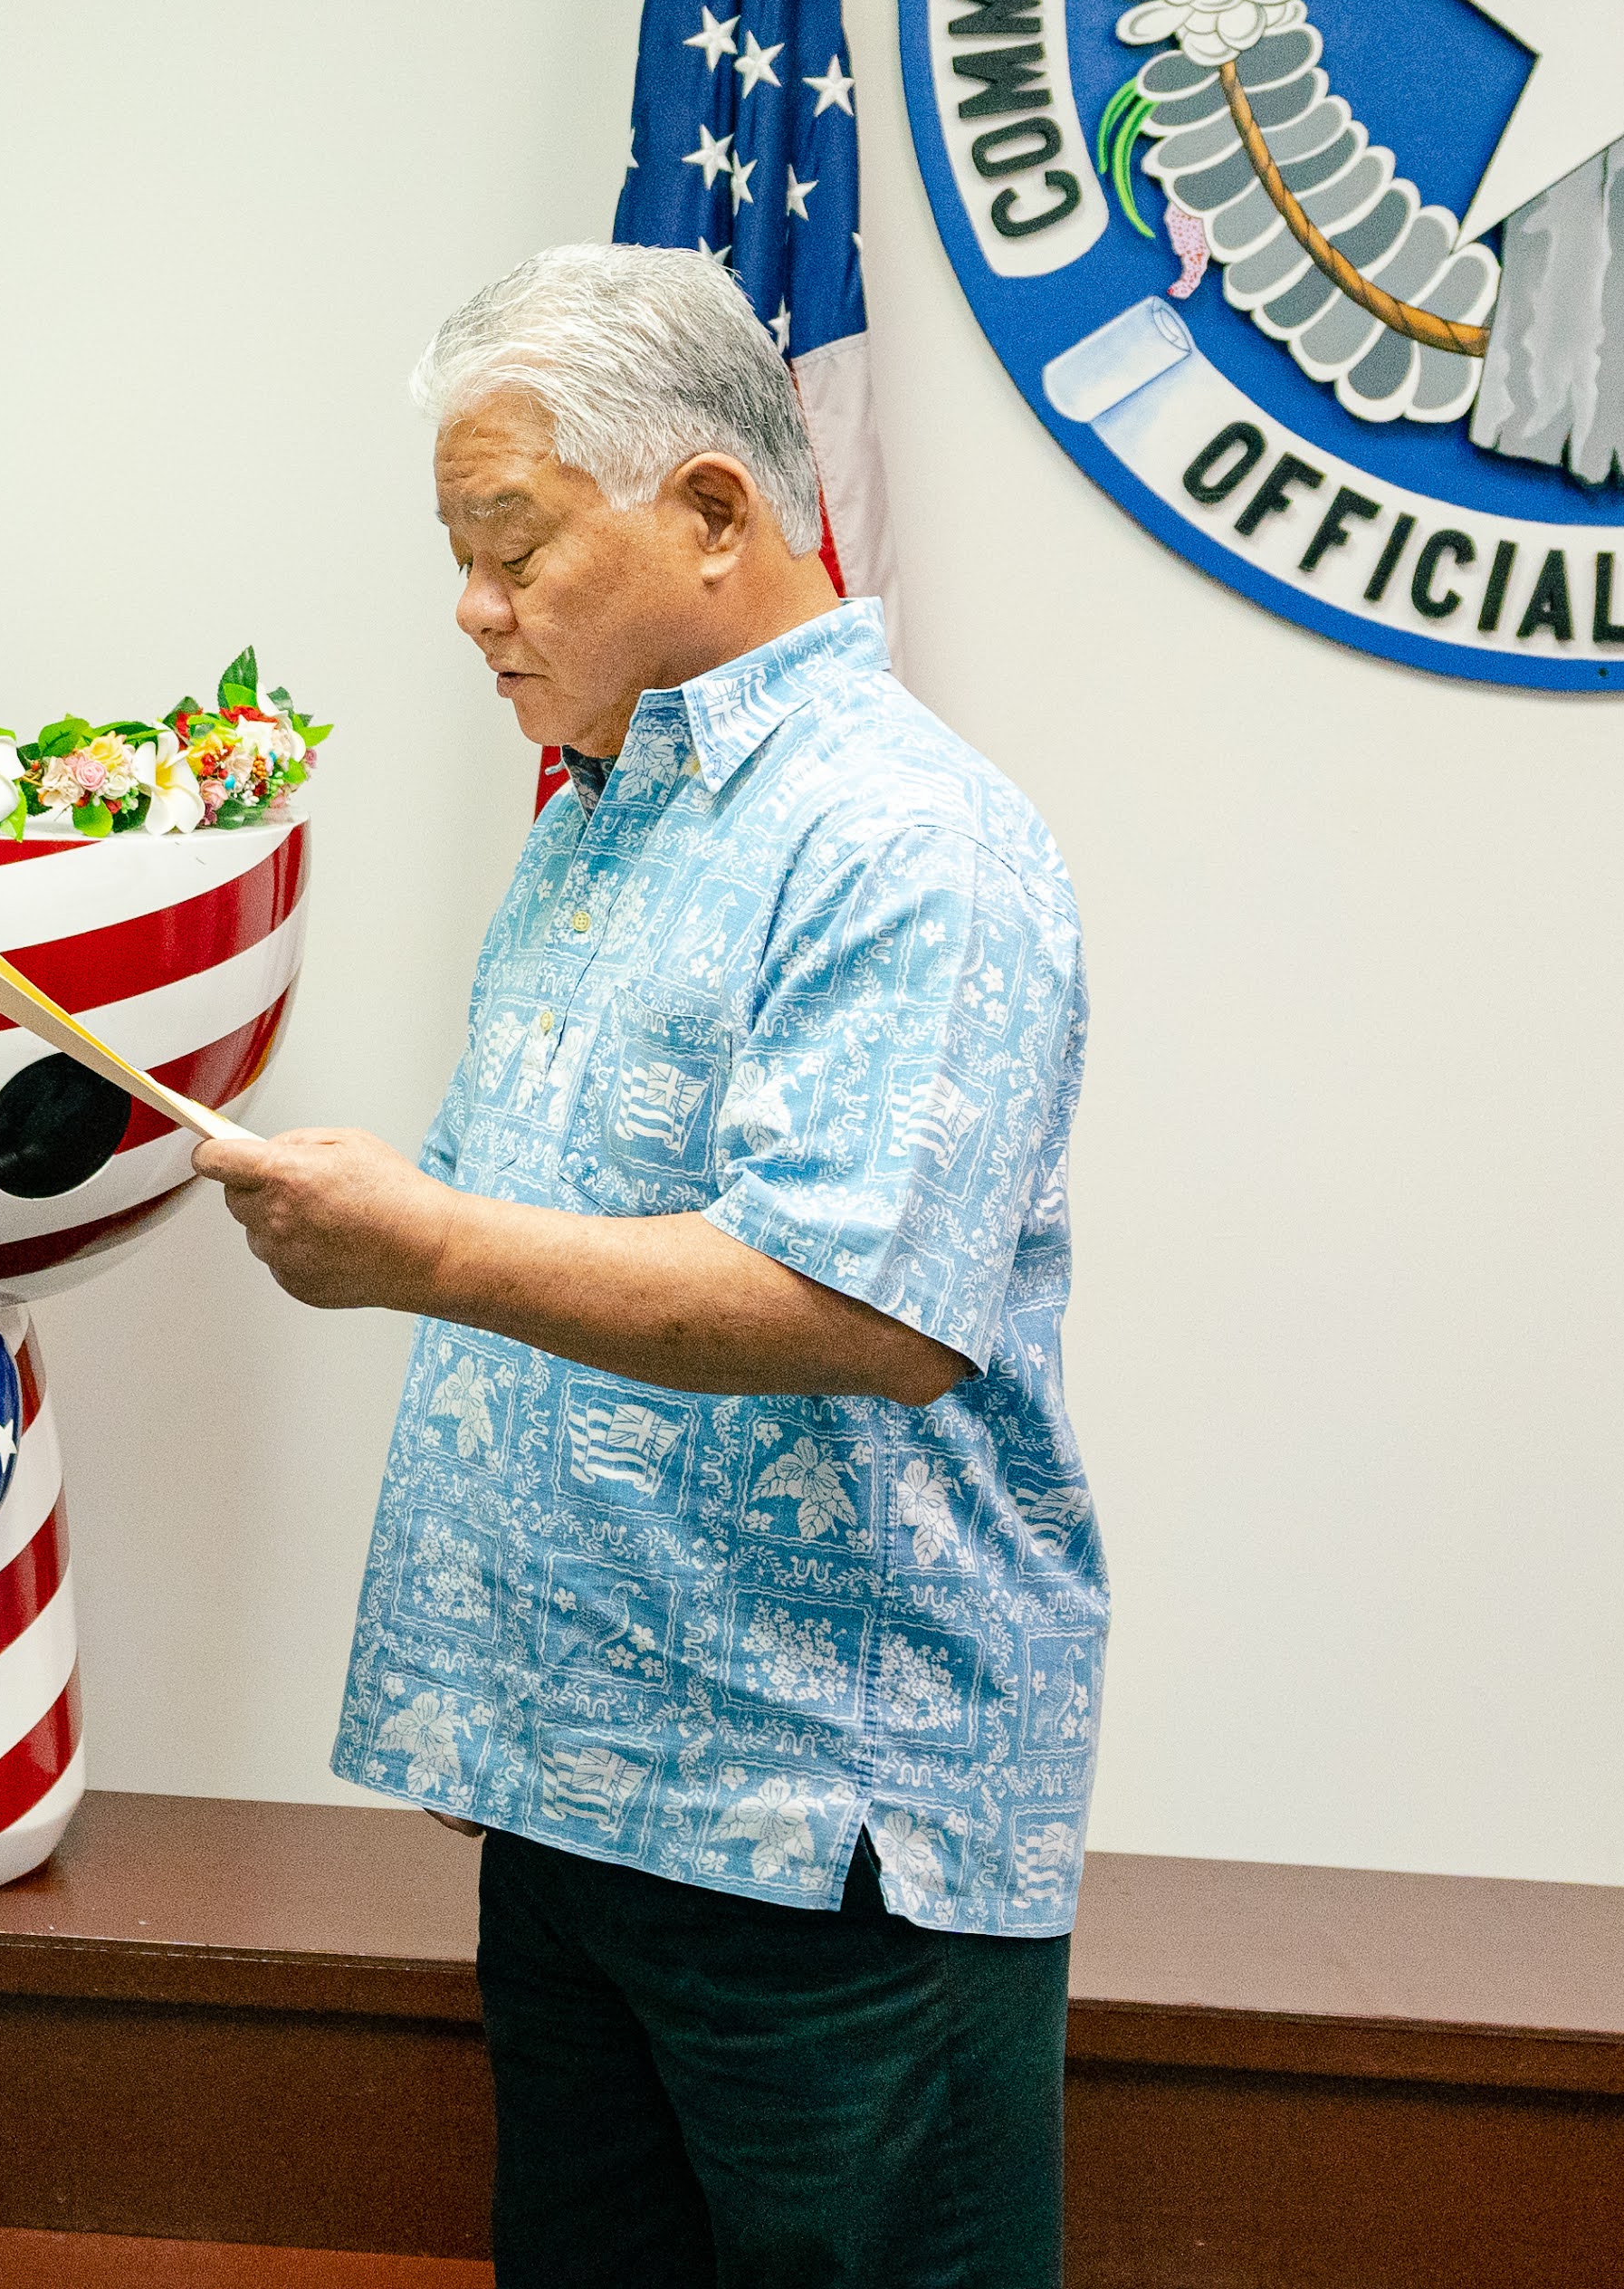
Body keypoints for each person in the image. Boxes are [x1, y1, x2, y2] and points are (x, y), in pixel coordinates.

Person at [197, 244, 1099, 2288]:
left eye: (507, 544)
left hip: (819, 1839)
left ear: (708, 513)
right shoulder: (600, 823)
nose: (468, 608)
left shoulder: (903, 840)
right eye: (456, 552)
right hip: (579, 1795)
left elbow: (854, 1308)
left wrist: (414, 1246)